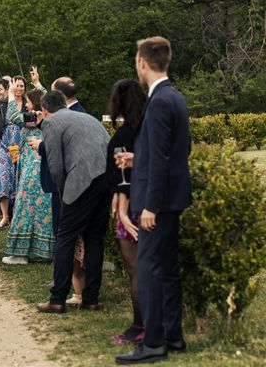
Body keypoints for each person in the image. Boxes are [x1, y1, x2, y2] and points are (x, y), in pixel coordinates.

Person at [115, 37, 191, 365]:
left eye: (136, 58)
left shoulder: (159, 101)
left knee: (148, 269)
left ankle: (154, 343)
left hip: (156, 202)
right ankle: (173, 336)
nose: (136, 64)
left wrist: (149, 206)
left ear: (143, 62)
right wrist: (137, 158)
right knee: (169, 270)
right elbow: (174, 152)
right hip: (173, 199)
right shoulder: (173, 96)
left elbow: (162, 159)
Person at [33, 90, 110, 314]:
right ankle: (91, 298)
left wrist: (64, 195)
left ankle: (57, 299)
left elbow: (55, 166)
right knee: (95, 239)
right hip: (106, 179)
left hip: (83, 182)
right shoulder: (88, 118)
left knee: (65, 237)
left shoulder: (51, 122)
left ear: (45, 110)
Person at [106, 79, 147, 346]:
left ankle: (139, 325)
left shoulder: (123, 136)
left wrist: (121, 210)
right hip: (154, 202)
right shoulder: (149, 128)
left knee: (135, 269)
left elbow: (123, 179)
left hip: (131, 207)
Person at [2, 82, 54, 264]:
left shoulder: (35, 117)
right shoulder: (44, 116)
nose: (26, 104)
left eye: (29, 101)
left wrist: (10, 93)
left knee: (25, 206)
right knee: (41, 210)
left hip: (34, 169)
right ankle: (44, 251)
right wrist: (39, 84)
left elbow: (13, 116)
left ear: (36, 103)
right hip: (38, 167)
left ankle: (20, 254)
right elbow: (49, 97)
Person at [0, 78, 25, 228]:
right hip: (2, 145)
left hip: (21, 146)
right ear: (11, 88)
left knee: (17, 180)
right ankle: (5, 216)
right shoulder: (2, 103)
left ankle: (16, 215)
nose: (18, 89)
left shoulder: (28, 104)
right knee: (2, 178)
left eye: (21, 86)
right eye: (16, 86)